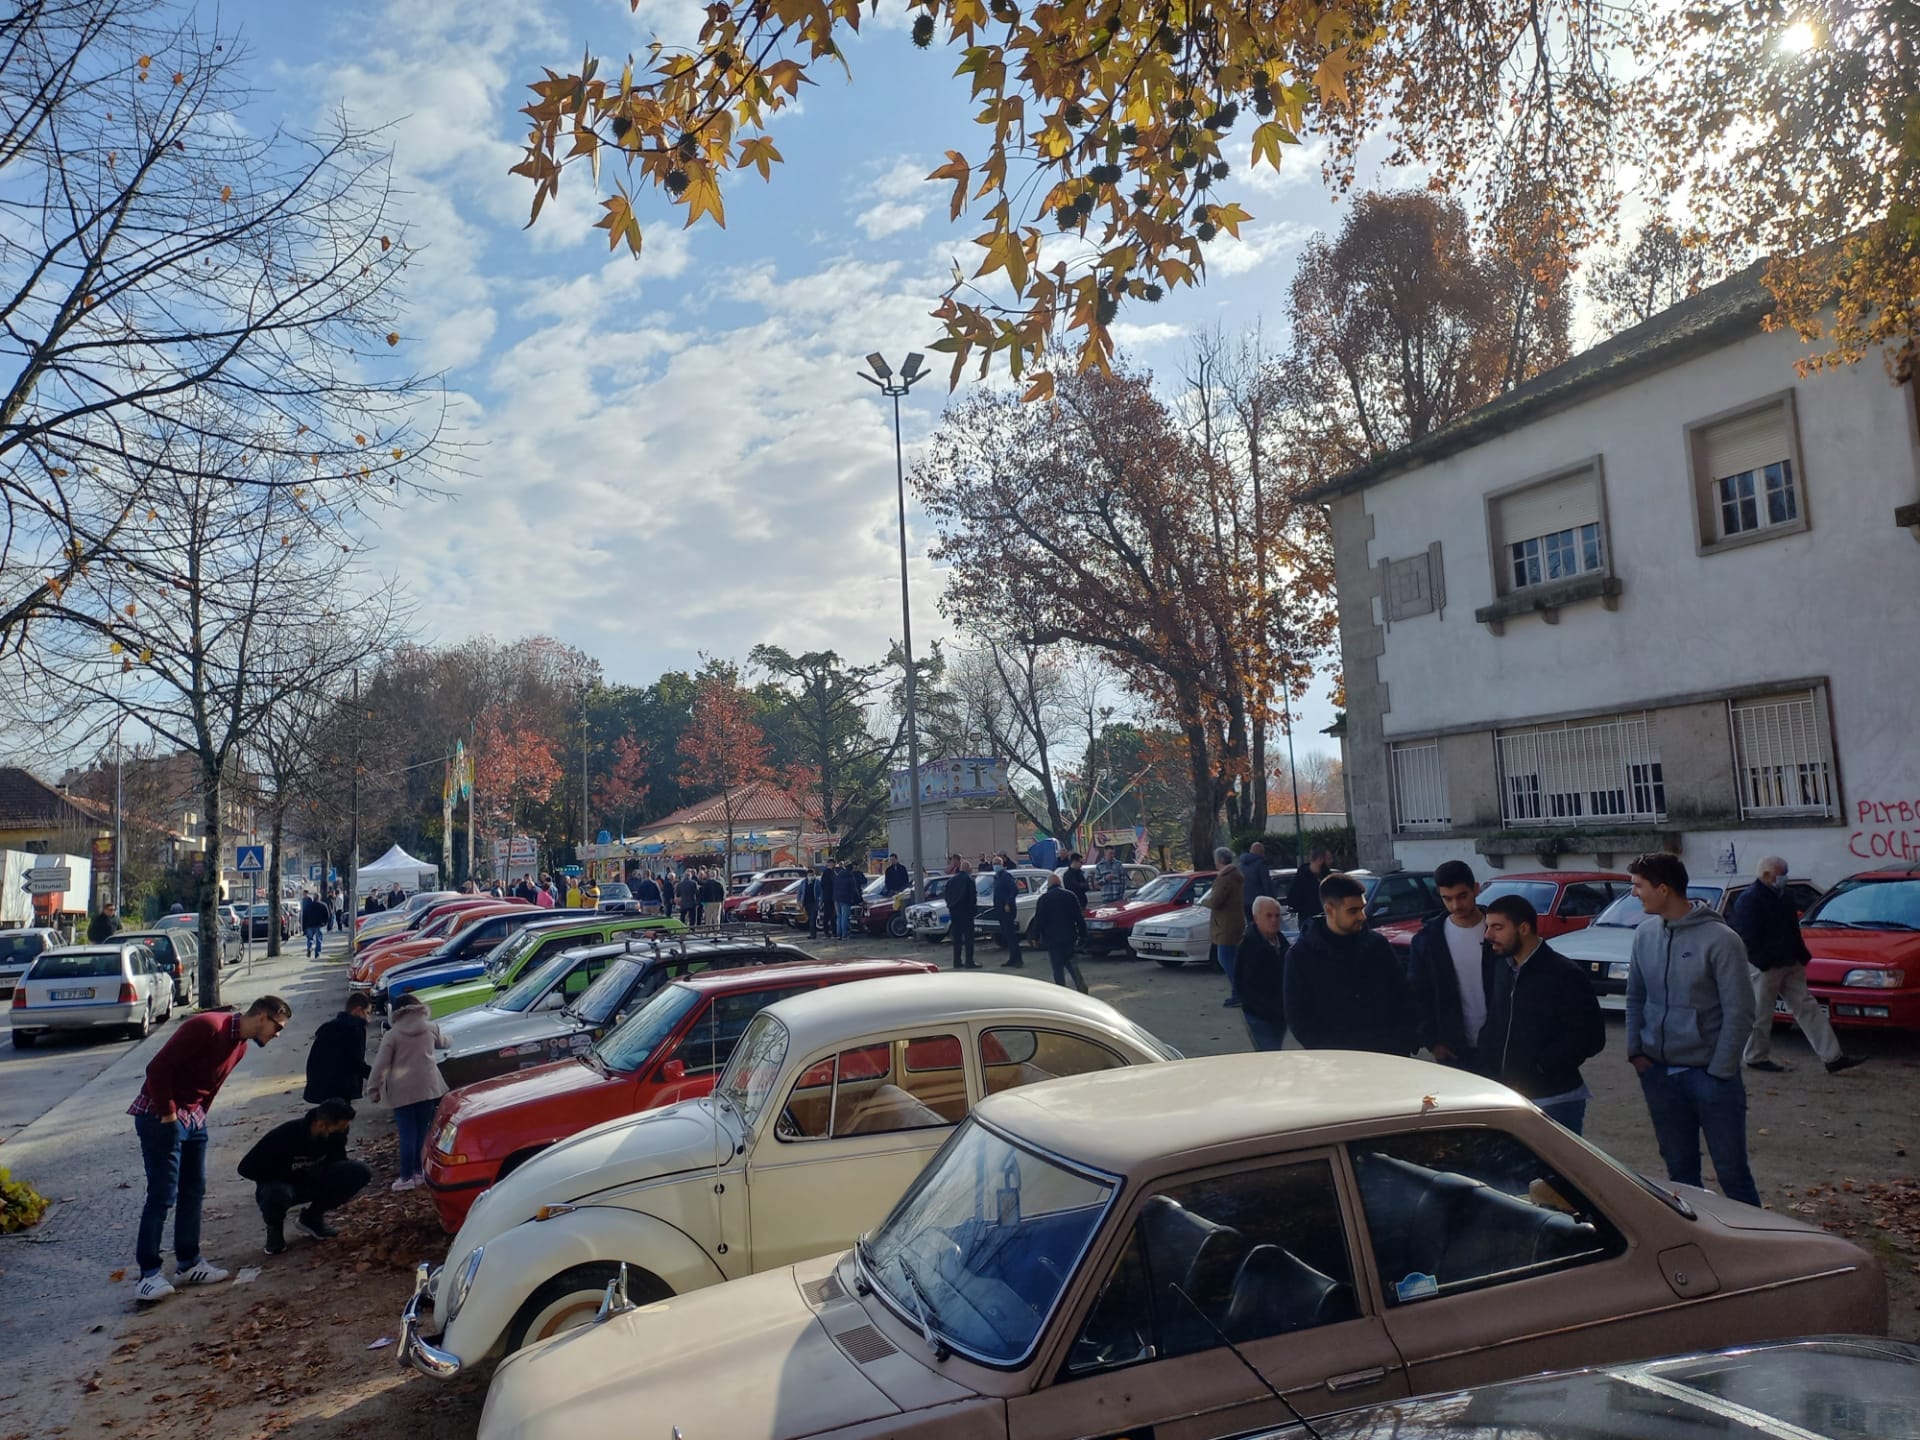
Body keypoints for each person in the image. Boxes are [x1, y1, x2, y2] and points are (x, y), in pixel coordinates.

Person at [126, 994, 293, 1303]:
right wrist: (168, 1114)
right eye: (277, 1026)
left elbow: (210, 1087)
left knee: (194, 1190)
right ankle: (148, 1274)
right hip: (160, 1116)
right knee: (163, 1195)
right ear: (262, 1017)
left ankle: (189, 1263)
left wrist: (198, 1118)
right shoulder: (207, 1026)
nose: (277, 1034)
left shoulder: (239, 1047)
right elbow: (157, 1068)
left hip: (192, 1120)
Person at [1624, 852, 1761, 1207]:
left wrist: (1720, 1069)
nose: (1634, 893)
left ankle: (1755, 1246)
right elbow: (1636, 996)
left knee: (1732, 1173)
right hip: (1658, 1074)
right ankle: (1698, 1241)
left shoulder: (1721, 940)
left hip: (1710, 1077)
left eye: (1639, 886)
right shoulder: (1644, 935)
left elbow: (1741, 1010)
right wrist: (1635, 1051)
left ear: (1664, 889)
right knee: (1680, 1175)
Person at [1482, 895, 1607, 1133]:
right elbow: (1495, 1022)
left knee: (1560, 1168)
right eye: (1488, 927)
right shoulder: (1502, 967)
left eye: (1497, 927)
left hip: (1555, 1100)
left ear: (1524, 928)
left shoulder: (1564, 974)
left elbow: (1590, 1038)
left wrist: (1541, 1066)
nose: (1488, 935)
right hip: (1509, 1095)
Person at [1732, 855, 1864, 1075]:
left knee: (1808, 1009)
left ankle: (1833, 1057)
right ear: (1767, 874)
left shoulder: (1781, 896)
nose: (1784, 878)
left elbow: (1792, 928)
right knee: (1761, 1013)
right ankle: (1755, 1056)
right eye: (1781, 874)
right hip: (1767, 966)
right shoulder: (1750, 899)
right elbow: (1747, 936)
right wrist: (1766, 962)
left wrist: (1800, 956)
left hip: (1789, 962)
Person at [1283, 872, 1415, 1055]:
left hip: (1389, 1058)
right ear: (1329, 910)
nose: (1362, 916)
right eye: (1353, 910)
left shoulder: (1378, 945)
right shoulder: (1300, 956)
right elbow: (1299, 1017)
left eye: (1362, 908)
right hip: (1339, 1065)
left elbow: (1403, 994)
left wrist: (1403, 1041)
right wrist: (1333, 1055)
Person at [237, 1099, 372, 1254]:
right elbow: (245, 1168)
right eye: (339, 1129)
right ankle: (274, 1229)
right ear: (321, 1125)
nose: (343, 1132)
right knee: (275, 1193)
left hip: (313, 1179)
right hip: (282, 1185)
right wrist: (283, 1175)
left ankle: (312, 1218)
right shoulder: (285, 1135)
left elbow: (338, 1159)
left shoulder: (337, 1134)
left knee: (358, 1171)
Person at [1406, 859, 1494, 1070]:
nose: (1456, 905)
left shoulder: (1499, 929)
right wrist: (1432, 1042)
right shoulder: (1428, 940)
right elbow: (1418, 993)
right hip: (1453, 1051)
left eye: (1462, 896)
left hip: (1501, 1047)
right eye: (1447, 898)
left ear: (1475, 888)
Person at [368, 994, 448, 1192]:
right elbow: (445, 1043)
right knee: (423, 1131)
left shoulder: (392, 1035)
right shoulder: (431, 1028)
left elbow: (381, 1065)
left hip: (402, 1090)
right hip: (428, 1087)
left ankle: (406, 1176)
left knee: (407, 1133)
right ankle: (420, 1172)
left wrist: (374, 1088)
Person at [1237, 897, 1290, 1051]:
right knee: (1269, 1055)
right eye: (1268, 916)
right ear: (1256, 918)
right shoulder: (1250, 946)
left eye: (1277, 915)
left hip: (1280, 1014)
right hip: (1260, 1016)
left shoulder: (1281, 941)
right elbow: (1245, 987)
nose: (1274, 920)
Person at [303, 993, 372, 1103]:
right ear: (358, 1010)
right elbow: (355, 1063)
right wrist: (376, 1075)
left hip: (320, 1084)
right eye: (367, 1013)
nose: (369, 1019)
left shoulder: (330, 1026)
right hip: (340, 1087)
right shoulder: (354, 1029)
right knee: (340, 1116)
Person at [1202, 846, 1247, 1007]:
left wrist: (1204, 901)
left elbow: (1216, 901)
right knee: (1232, 959)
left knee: (1226, 959)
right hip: (1234, 921)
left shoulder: (1225, 878)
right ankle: (1240, 993)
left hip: (1226, 924)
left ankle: (1239, 993)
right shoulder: (1235, 876)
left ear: (1220, 860)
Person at [1032, 874, 1089, 991]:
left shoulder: (1044, 899)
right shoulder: (1070, 895)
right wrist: (1083, 935)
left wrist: (1035, 937)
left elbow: (1039, 920)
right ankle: (1080, 985)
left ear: (1049, 885)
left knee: (1057, 967)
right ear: (1060, 883)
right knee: (1072, 963)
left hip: (1052, 938)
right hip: (1069, 936)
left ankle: (1061, 990)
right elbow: (1079, 918)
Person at [991, 856, 1024, 968]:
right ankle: (1012, 958)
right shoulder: (997, 877)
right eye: (994, 863)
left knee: (1011, 936)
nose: (995, 865)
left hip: (1007, 910)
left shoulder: (1005, 876)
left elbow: (1014, 890)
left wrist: (1008, 903)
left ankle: (1018, 959)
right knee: (1006, 936)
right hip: (1000, 910)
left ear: (1001, 864)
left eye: (997, 863)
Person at [946, 861, 980, 969]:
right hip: (966, 913)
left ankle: (957, 962)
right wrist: (973, 911)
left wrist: (951, 907)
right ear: (968, 869)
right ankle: (969, 962)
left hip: (955, 913)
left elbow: (946, 895)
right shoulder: (969, 880)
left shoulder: (951, 880)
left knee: (957, 939)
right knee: (969, 939)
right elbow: (972, 897)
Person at [1286, 847, 1331, 923]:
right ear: (1320, 859)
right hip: (1308, 921)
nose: (1330, 862)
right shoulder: (1301, 877)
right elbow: (1293, 900)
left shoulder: (1328, 876)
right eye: (1328, 859)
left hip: (1327, 920)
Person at [1236, 840, 1272, 920]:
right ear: (1261, 852)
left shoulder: (1240, 865)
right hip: (1259, 903)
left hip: (1244, 902)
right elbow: (1267, 885)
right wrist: (1271, 900)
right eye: (1263, 852)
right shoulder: (1261, 864)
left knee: (1250, 925)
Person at [833, 863, 861, 939]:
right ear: (852, 869)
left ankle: (839, 934)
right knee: (845, 917)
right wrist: (859, 899)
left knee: (839, 917)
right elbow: (854, 889)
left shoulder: (838, 876)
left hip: (836, 898)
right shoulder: (850, 876)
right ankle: (845, 934)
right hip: (846, 899)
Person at [300, 890, 330, 959]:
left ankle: (309, 948)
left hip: (309, 925)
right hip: (319, 925)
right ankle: (317, 954)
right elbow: (327, 915)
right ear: (319, 898)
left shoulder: (308, 906)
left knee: (310, 939)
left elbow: (304, 916)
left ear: (313, 898)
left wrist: (304, 927)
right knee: (318, 940)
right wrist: (324, 923)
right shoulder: (323, 905)